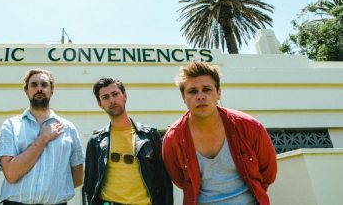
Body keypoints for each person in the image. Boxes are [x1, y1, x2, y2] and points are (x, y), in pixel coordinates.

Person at [162, 62, 277, 205]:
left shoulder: (249, 126)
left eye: (206, 89)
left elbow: (268, 172)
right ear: (183, 98)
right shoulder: (173, 138)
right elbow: (179, 180)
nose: (200, 96)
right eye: (192, 91)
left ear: (218, 93)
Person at [0, 69, 84, 205]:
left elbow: (78, 177)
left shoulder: (68, 128)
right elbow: (11, 174)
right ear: (26, 91)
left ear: (51, 90)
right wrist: (43, 138)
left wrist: (54, 190)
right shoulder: (11, 125)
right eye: (34, 85)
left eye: (44, 85)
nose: (39, 88)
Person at [82, 77, 173, 205]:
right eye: (105, 97)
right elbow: (88, 186)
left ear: (124, 95)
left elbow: (164, 182)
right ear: (100, 104)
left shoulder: (150, 135)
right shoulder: (95, 141)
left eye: (115, 94)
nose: (112, 100)